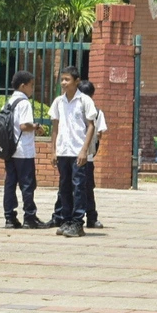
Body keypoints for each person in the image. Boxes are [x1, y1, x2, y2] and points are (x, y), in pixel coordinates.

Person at [48, 66, 98, 238]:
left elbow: (91, 126)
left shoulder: (84, 101)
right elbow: (55, 127)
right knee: (64, 187)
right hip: (63, 150)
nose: (63, 82)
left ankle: (78, 222)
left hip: (78, 151)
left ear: (76, 81)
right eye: (62, 79)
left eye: (67, 79)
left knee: (78, 187)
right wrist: (53, 150)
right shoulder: (58, 102)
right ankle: (66, 220)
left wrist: (84, 150)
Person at [3, 70, 43, 230]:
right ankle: (29, 217)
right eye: (31, 85)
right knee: (27, 184)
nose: (32, 89)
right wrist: (37, 126)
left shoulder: (9, 102)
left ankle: (10, 217)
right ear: (23, 85)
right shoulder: (24, 103)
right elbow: (24, 126)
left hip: (10, 149)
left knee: (10, 183)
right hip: (23, 150)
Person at [77, 80, 109, 230]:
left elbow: (99, 132)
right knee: (84, 188)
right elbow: (100, 134)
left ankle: (89, 217)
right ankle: (89, 217)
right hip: (81, 156)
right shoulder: (96, 111)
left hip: (83, 156)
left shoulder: (94, 111)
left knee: (83, 188)